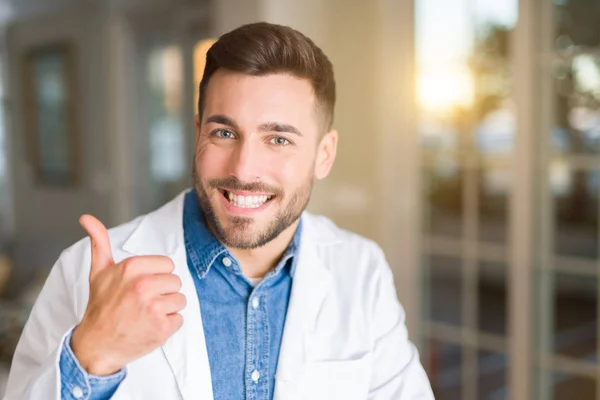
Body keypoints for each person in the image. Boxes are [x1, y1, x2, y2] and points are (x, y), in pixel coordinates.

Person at [4, 22, 433, 400]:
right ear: (197, 134)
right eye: (224, 132)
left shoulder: (361, 269)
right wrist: (92, 355)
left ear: (324, 154)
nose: (243, 169)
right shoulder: (88, 271)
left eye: (279, 139)